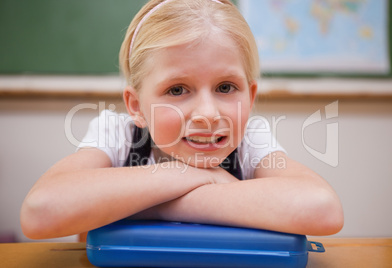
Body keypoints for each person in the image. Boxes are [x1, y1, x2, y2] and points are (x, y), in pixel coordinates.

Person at [20, 0, 343, 239]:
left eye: (226, 87)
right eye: (177, 89)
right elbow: (40, 212)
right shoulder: (117, 133)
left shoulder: (251, 139)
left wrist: (154, 203)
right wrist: (199, 177)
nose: (207, 114)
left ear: (251, 97)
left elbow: (322, 209)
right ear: (136, 106)